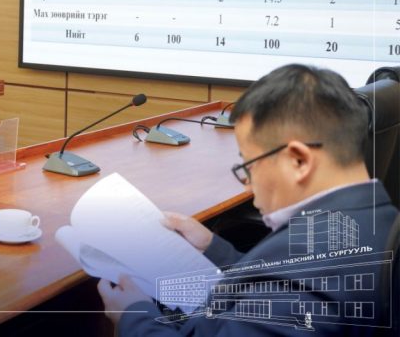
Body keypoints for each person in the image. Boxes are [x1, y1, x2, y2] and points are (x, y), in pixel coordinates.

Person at [99, 64, 397, 336]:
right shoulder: (374, 218)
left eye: (249, 166)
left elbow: (288, 288)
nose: (248, 184)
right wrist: (214, 249)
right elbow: (274, 283)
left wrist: (133, 318)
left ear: (298, 161)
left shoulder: (312, 270)